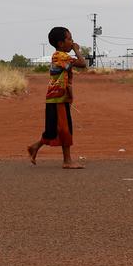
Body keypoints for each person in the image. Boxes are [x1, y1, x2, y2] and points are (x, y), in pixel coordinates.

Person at [28, 26, 88, 169]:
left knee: (54, 129)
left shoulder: (60, 56)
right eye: (69, 39)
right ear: (61, 43)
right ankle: (67, 161)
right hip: (58, 97)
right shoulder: (61, 56)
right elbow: (83, 64)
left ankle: (35, 147)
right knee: (64, 128)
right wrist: (76, 49)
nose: (72, 41)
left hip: (58, 97)